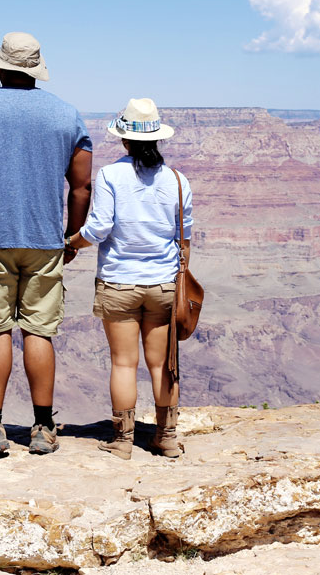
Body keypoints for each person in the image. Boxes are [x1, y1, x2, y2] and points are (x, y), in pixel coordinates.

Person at [0, 32, 93, 458]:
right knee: (39, 331)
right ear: (35, 70)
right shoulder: (67, 116)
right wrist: (72, 237)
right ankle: (43, 428)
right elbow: (81, 186)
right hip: (45, 241)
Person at [65, 98, 192, 459]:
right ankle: (166, 438)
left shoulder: (110, 175)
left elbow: (99, 228)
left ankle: (122, 441)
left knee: (124, 362)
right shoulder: (178, 182)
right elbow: (184, 238)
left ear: (124, 140)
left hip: (119, 283)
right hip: (164, 284)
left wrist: (71, 243)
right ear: (157, 140)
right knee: (162, 364)